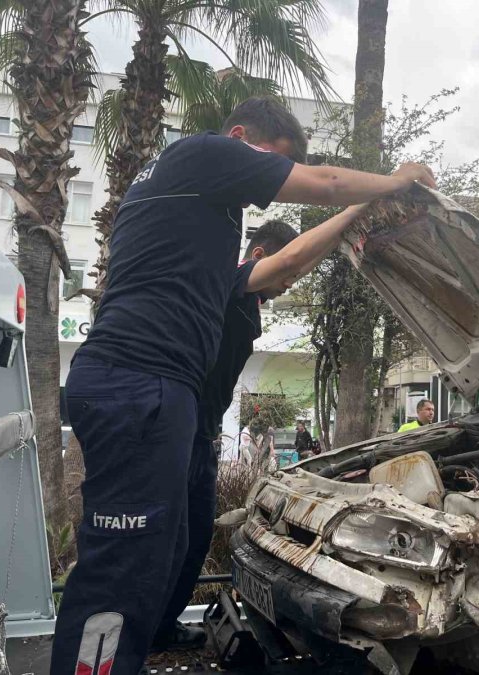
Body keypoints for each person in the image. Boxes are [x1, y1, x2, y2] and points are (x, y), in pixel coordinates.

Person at [51, 95, 435, 675]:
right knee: (119, 571)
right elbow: (323, 183)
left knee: (156, 554)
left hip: (150, 387)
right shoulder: (205, 154)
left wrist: (358, 214)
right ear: (239, 138)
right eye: (270, 162)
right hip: (140, 382)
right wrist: (393, 183)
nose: (267, 182)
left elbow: (288, 265)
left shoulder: (198, 212)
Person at [150, 207, 367, 652]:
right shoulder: (221, 284)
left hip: (203, 435)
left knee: (192, 544)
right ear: (261, 255)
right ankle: (138, 635)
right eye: (287, 273)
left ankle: (161, 628)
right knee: (162, 542)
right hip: (178, 431)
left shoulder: (250, 303)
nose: (290, 284)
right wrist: (352, 216)